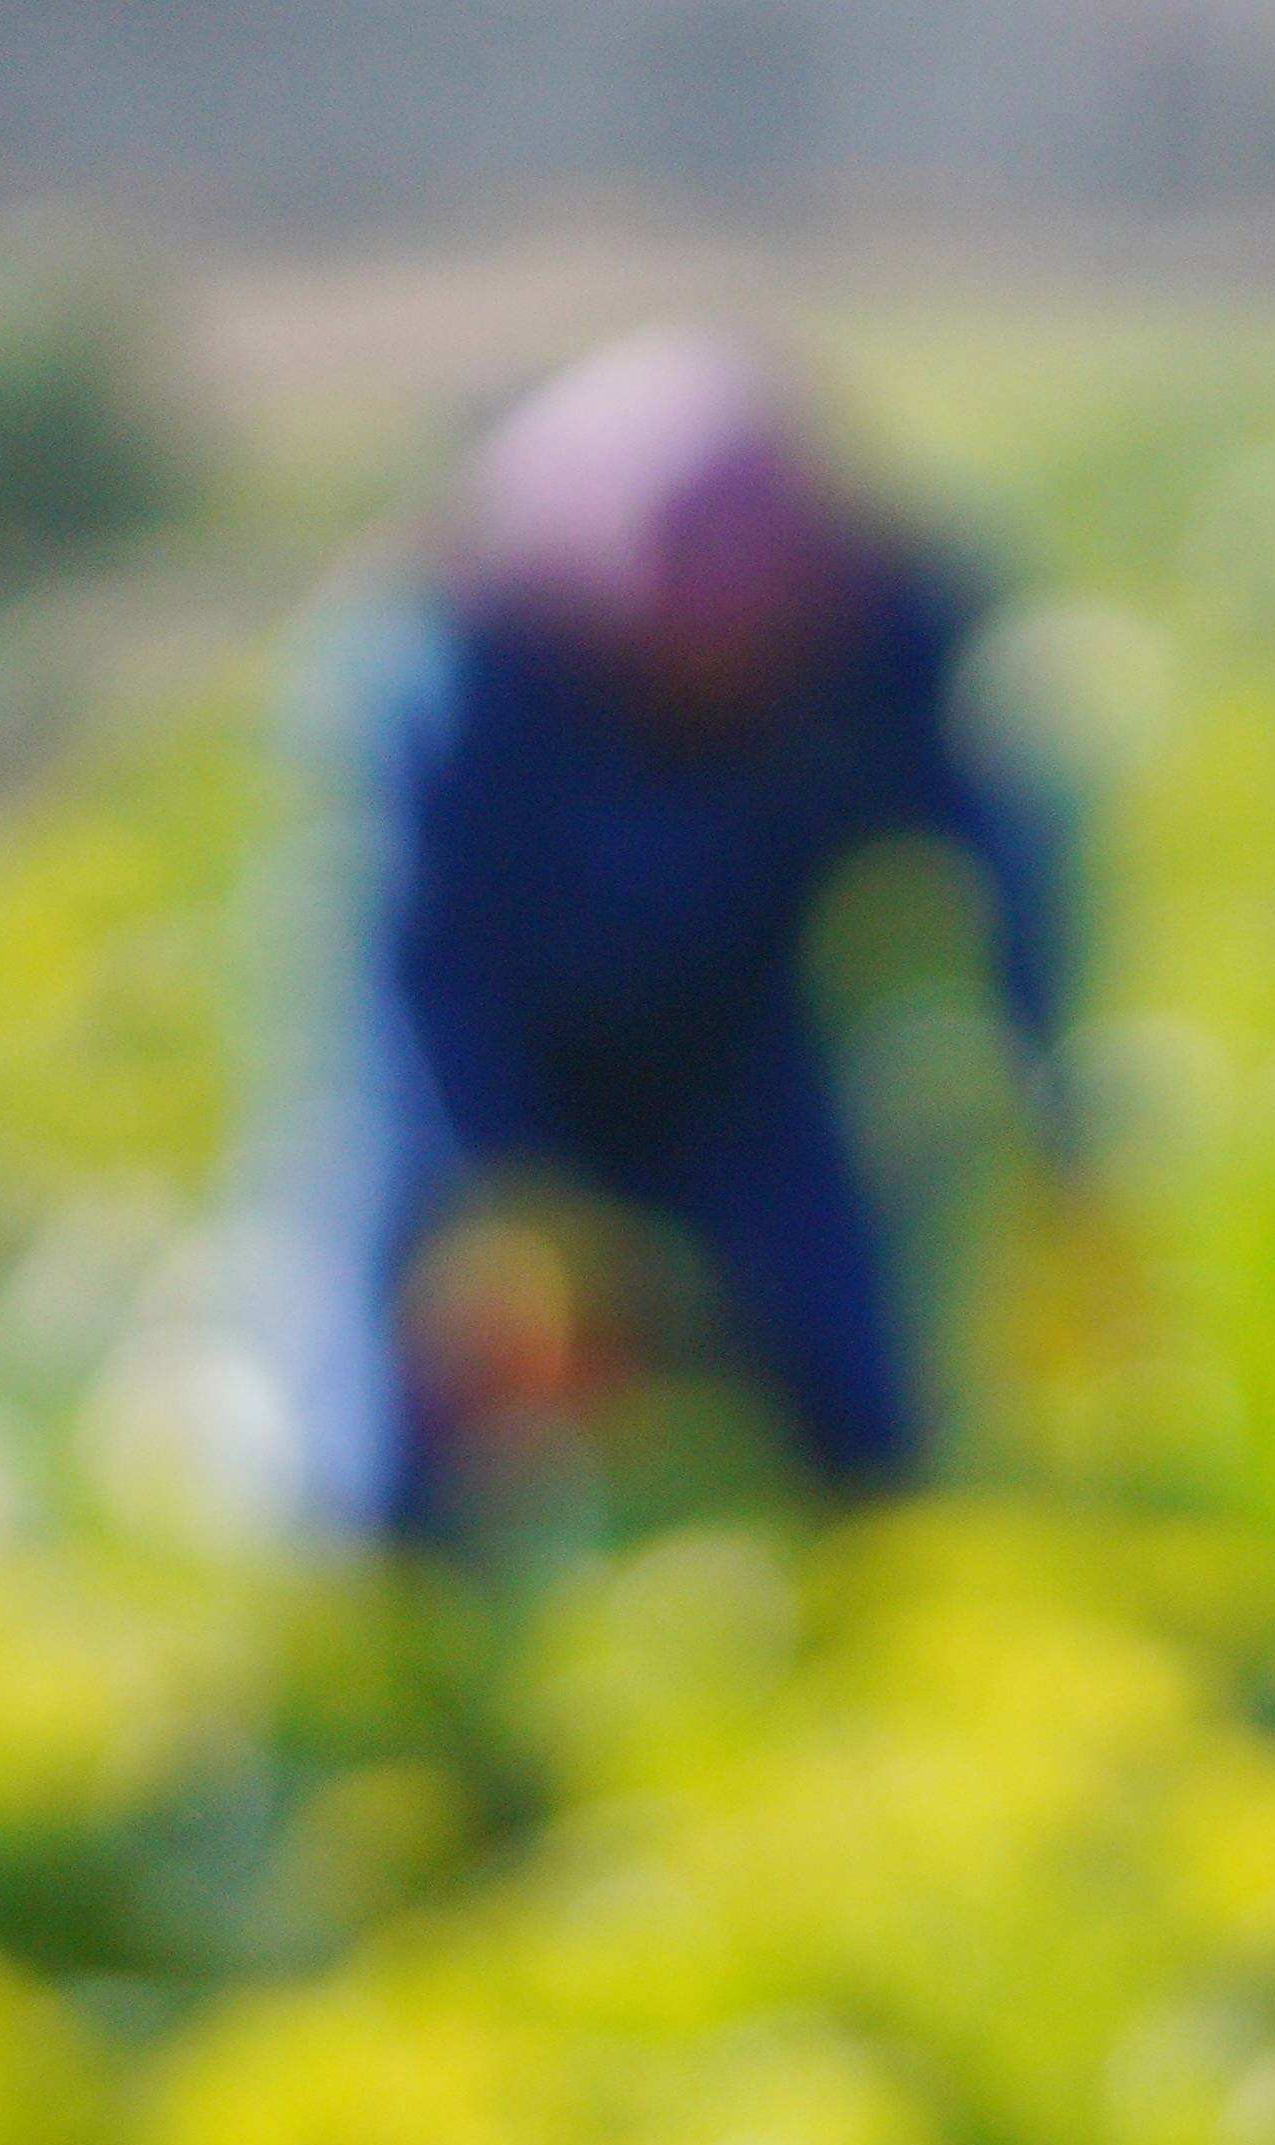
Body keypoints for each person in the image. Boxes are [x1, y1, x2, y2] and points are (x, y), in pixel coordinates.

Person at [282, 326, 1073, 1545]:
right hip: (489, 1034)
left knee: (850, 1374)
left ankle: (872, 1579)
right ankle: (369, 1586)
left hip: (735, 1034)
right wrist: (512, 1209)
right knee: (400, 1386)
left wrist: (1054, 1121)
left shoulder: (881, 629)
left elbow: (1000, 868)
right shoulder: (454, 663)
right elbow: (416, 971)